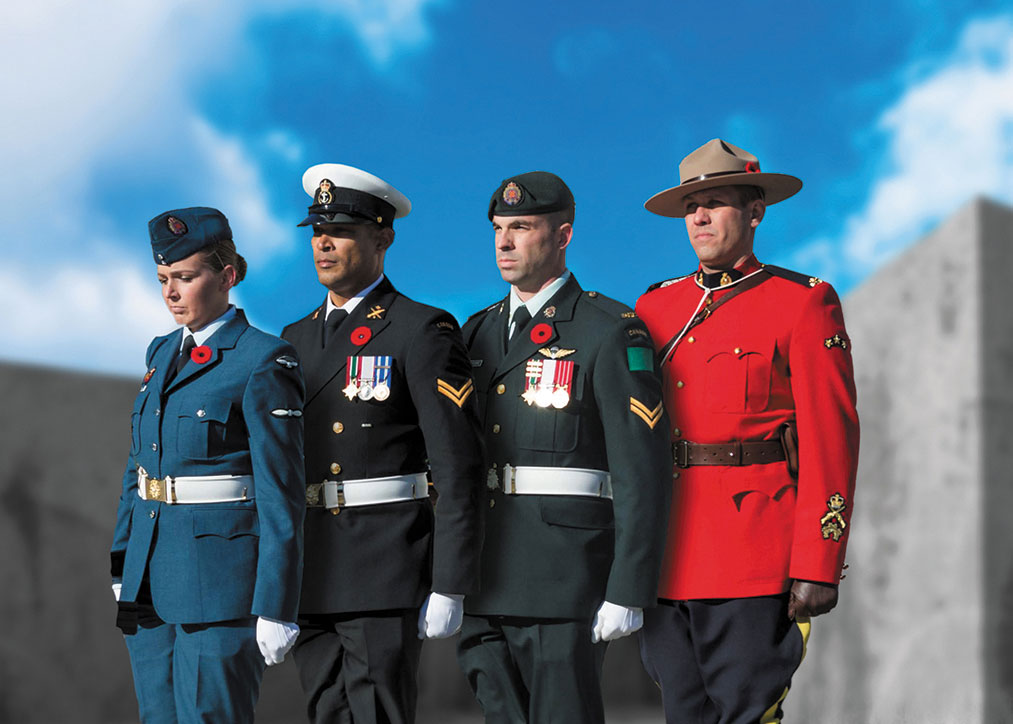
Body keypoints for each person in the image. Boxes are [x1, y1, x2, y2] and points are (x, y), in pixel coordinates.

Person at [635, 139, 861, 723]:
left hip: (754, 552)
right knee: (683, 714)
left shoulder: (802, 303)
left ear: (755, 210)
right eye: (691, 207)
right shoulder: (656, 307)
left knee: (747, 714)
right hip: (666, 553)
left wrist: (819, 559)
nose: (700, 218)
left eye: (715, 202)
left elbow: (831, 439)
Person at [456, 171, 672, 723]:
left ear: (563, 235)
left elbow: (640, 471)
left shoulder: (608, 329)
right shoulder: (472, 333)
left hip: (563, 578)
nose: (504, 242)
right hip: (481, 575)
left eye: (522, 227)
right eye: (499, 229)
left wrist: (630, 587)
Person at [281, 163, 486, 724]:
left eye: (342, 230)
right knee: (325, 712)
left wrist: (451, 581)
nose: (324, 243)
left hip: (383, 562)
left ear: (382, 238)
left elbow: (457, 461)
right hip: (311, 562)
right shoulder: (293, 339)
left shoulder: (420, 329)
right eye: (318, 231)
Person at [110, 206, 306, 723]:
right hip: (149, 580)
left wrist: (276, 603)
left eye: (185, 278)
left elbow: (281, 490)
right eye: (163, 279)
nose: (170, 292)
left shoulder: (263, 358)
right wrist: (121, 560)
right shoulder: (159, 354)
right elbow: (141, 466)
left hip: (220, 588)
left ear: (227, 276)